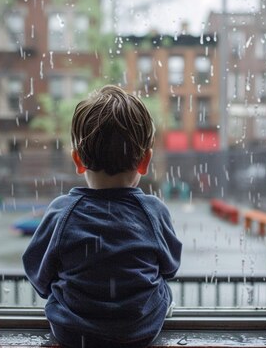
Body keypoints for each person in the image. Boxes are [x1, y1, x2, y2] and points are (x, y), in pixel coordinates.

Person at [22, 85, 182, 348]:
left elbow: (38, 275)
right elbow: (170, 267)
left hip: (73, 334)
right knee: (162, 288)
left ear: (77, 160)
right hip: (139, 332)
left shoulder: (62, 212)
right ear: (145, 161)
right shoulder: (153, 211)